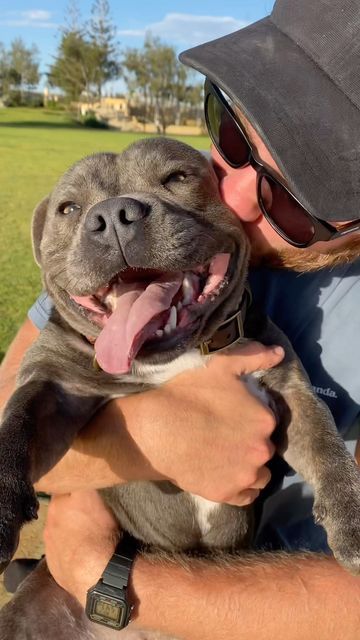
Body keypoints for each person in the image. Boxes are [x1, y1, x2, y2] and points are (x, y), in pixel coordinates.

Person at [1, 0, 360, 637]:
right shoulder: (169, 227)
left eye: (305, 191)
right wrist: (147, 439)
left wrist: (102, 575)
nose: (239, 196)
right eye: (232, 132)